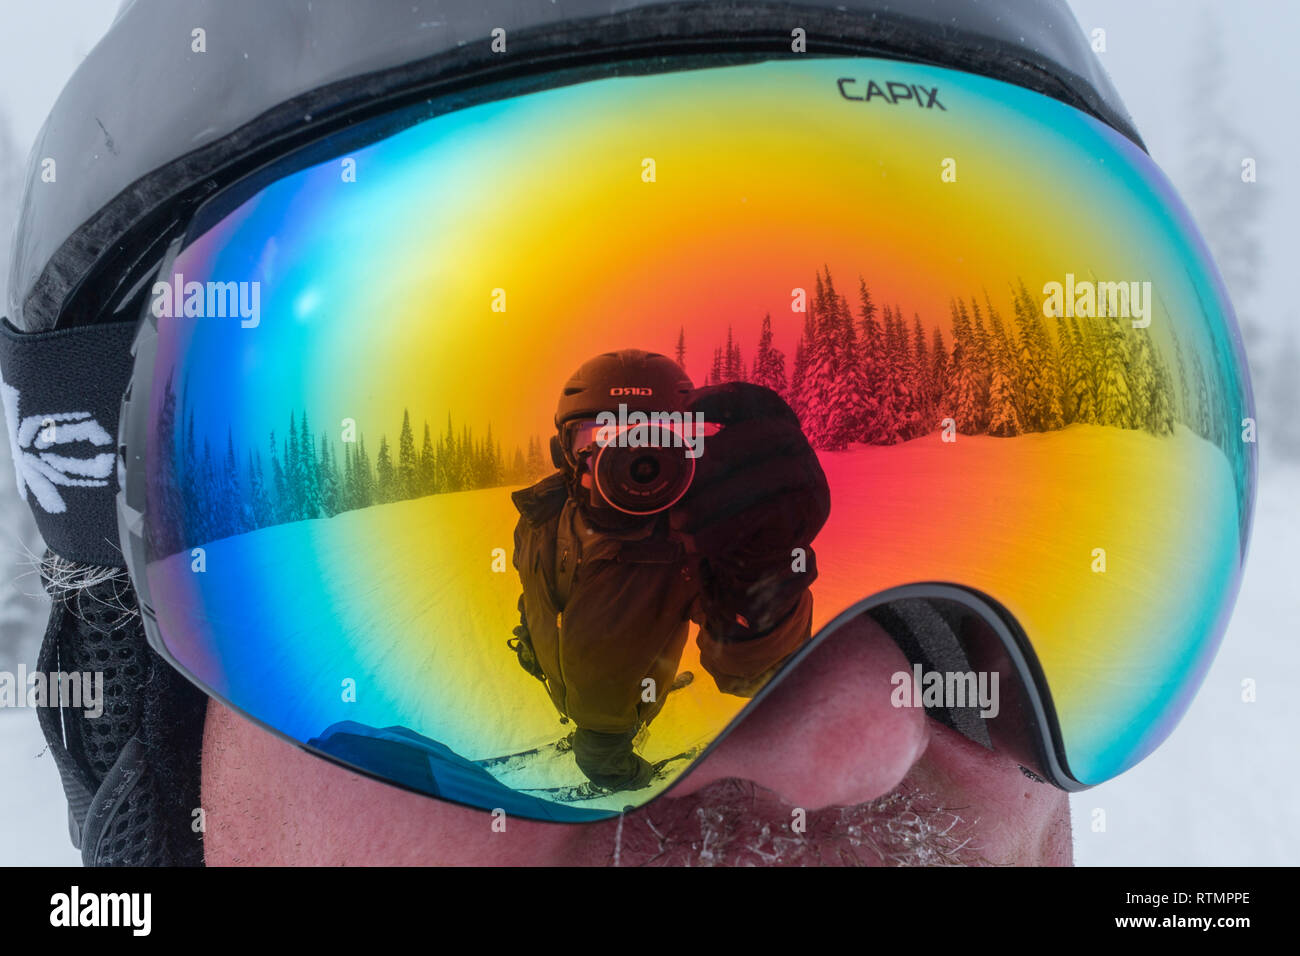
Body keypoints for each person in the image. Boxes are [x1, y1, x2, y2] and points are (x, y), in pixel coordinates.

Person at [0, 0, 1254, 868]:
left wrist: (776, 574)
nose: (858, 742)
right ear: (152, 762)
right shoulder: (552, 542)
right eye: (625, 456)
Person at [508, 349, 826, 791]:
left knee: (601, 761)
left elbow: (753, 673)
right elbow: (532, 584)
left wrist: (761, 572)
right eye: (597, 433)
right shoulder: (538, 515)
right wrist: (529, 633)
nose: (622, 455)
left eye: (650, 435)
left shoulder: (692, 543)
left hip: (614, 713)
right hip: (558, 680)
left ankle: (631, 781)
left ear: (686, 448)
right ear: (562, 451)